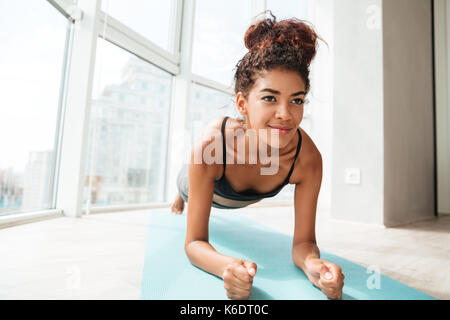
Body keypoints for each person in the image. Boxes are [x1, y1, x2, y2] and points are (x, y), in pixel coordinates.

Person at [171, 11, 344, 300]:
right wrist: (226, 266)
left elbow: (304, 243)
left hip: (234, 193)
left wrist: (314, 264)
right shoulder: (211, 147)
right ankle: (179, 195)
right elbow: (195, 242)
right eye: (269, 98)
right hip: (204, 181)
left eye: (297, 100)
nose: (285, 115)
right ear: (242, 103)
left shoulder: (308, 160)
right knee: (184, 187)